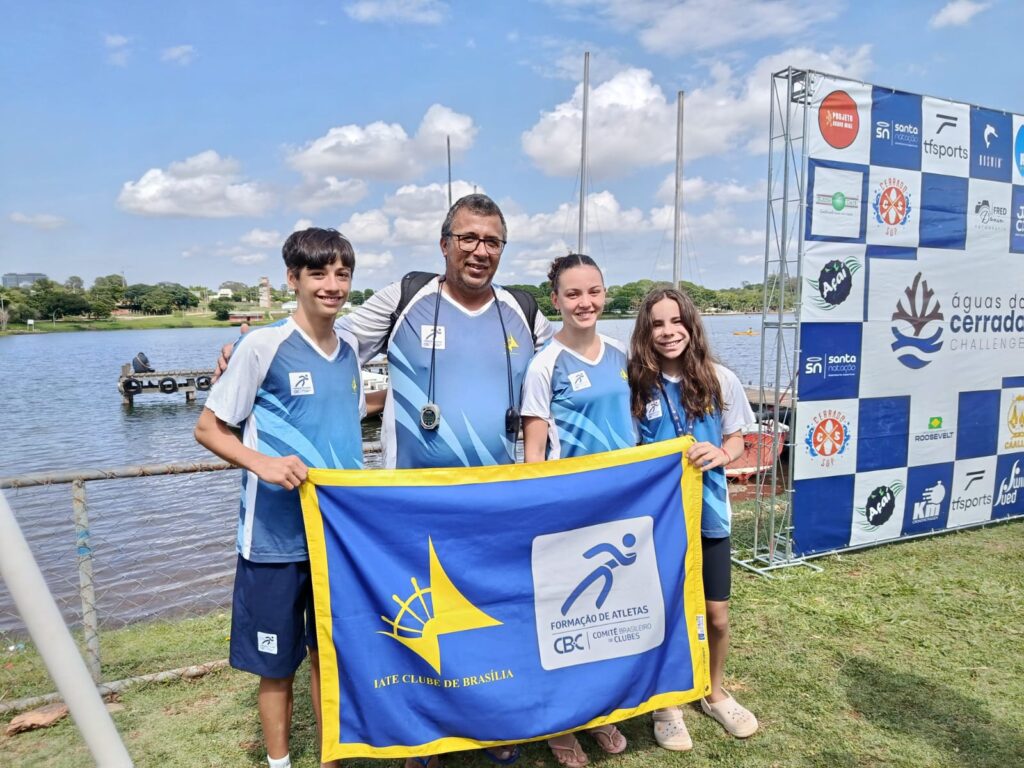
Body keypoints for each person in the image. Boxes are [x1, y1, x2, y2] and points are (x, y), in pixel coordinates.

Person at [216, 194, 553, 768]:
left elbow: (560, 367)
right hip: (408, 508)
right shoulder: (404, 298)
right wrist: (243, 350)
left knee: (489, 618)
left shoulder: (523, 311)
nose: (479, 250)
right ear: (444, 243)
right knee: (418, 627)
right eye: (467, 238)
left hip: (490, 504)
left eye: (492, 241)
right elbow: (324, 336)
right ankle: (421, 737)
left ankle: (492, 725)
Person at [195, 228, 367, 768]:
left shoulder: (351, 350)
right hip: (274, 539)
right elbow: (209, 428)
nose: (332, 285)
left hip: (333, 537)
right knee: (276, 666)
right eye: (318, 273)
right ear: (292, 279)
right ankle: (279, 762)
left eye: (342, 274)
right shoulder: (261, 345)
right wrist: (262, 463)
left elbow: (344, 419)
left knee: (327, 655)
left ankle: (330, 760)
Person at [627, 287, 758, 752]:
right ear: (646, 331)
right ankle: (666, 704)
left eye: (676, 321)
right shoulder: (636, 384)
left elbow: (738, 438)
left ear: (691, 325)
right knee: (664, 615)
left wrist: (723, 453)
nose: (668, 332)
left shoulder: (720, 378)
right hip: (659, 522)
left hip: (710, 514)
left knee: (717, 616)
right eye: (657, 324)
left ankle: (714, 692)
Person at [520, 253, 631, 768]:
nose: (585, 302)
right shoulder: (545, 364)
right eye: (573, 294)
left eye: (594, 291)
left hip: (622, 510)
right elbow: (535, 453)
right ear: (556, 300)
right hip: (569, 514)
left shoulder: (622, 354)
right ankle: (561, 726)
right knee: (567, 620)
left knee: (607, 619)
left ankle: (599, 711)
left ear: (604, 294)